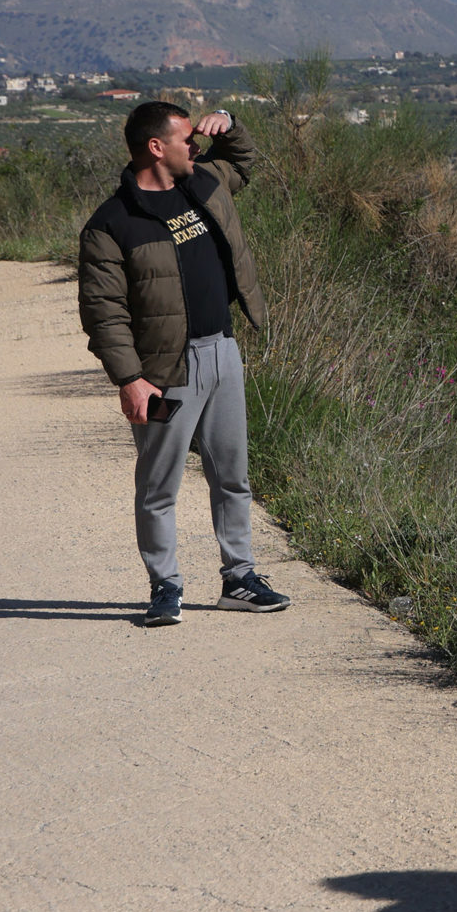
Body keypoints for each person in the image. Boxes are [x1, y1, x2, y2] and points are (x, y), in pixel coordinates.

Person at [78, 100, 291, 627]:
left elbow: (243, 162)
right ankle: (165, 586)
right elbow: (104, 312)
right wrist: (130, 379)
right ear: (156, 147)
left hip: (222, 350)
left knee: (233, 476)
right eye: (185, 138)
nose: (195, 146)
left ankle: (239, 578)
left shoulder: (205, 181)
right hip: (164, 369)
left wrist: (230, 124)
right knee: (159, 487)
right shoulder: (111, 224)